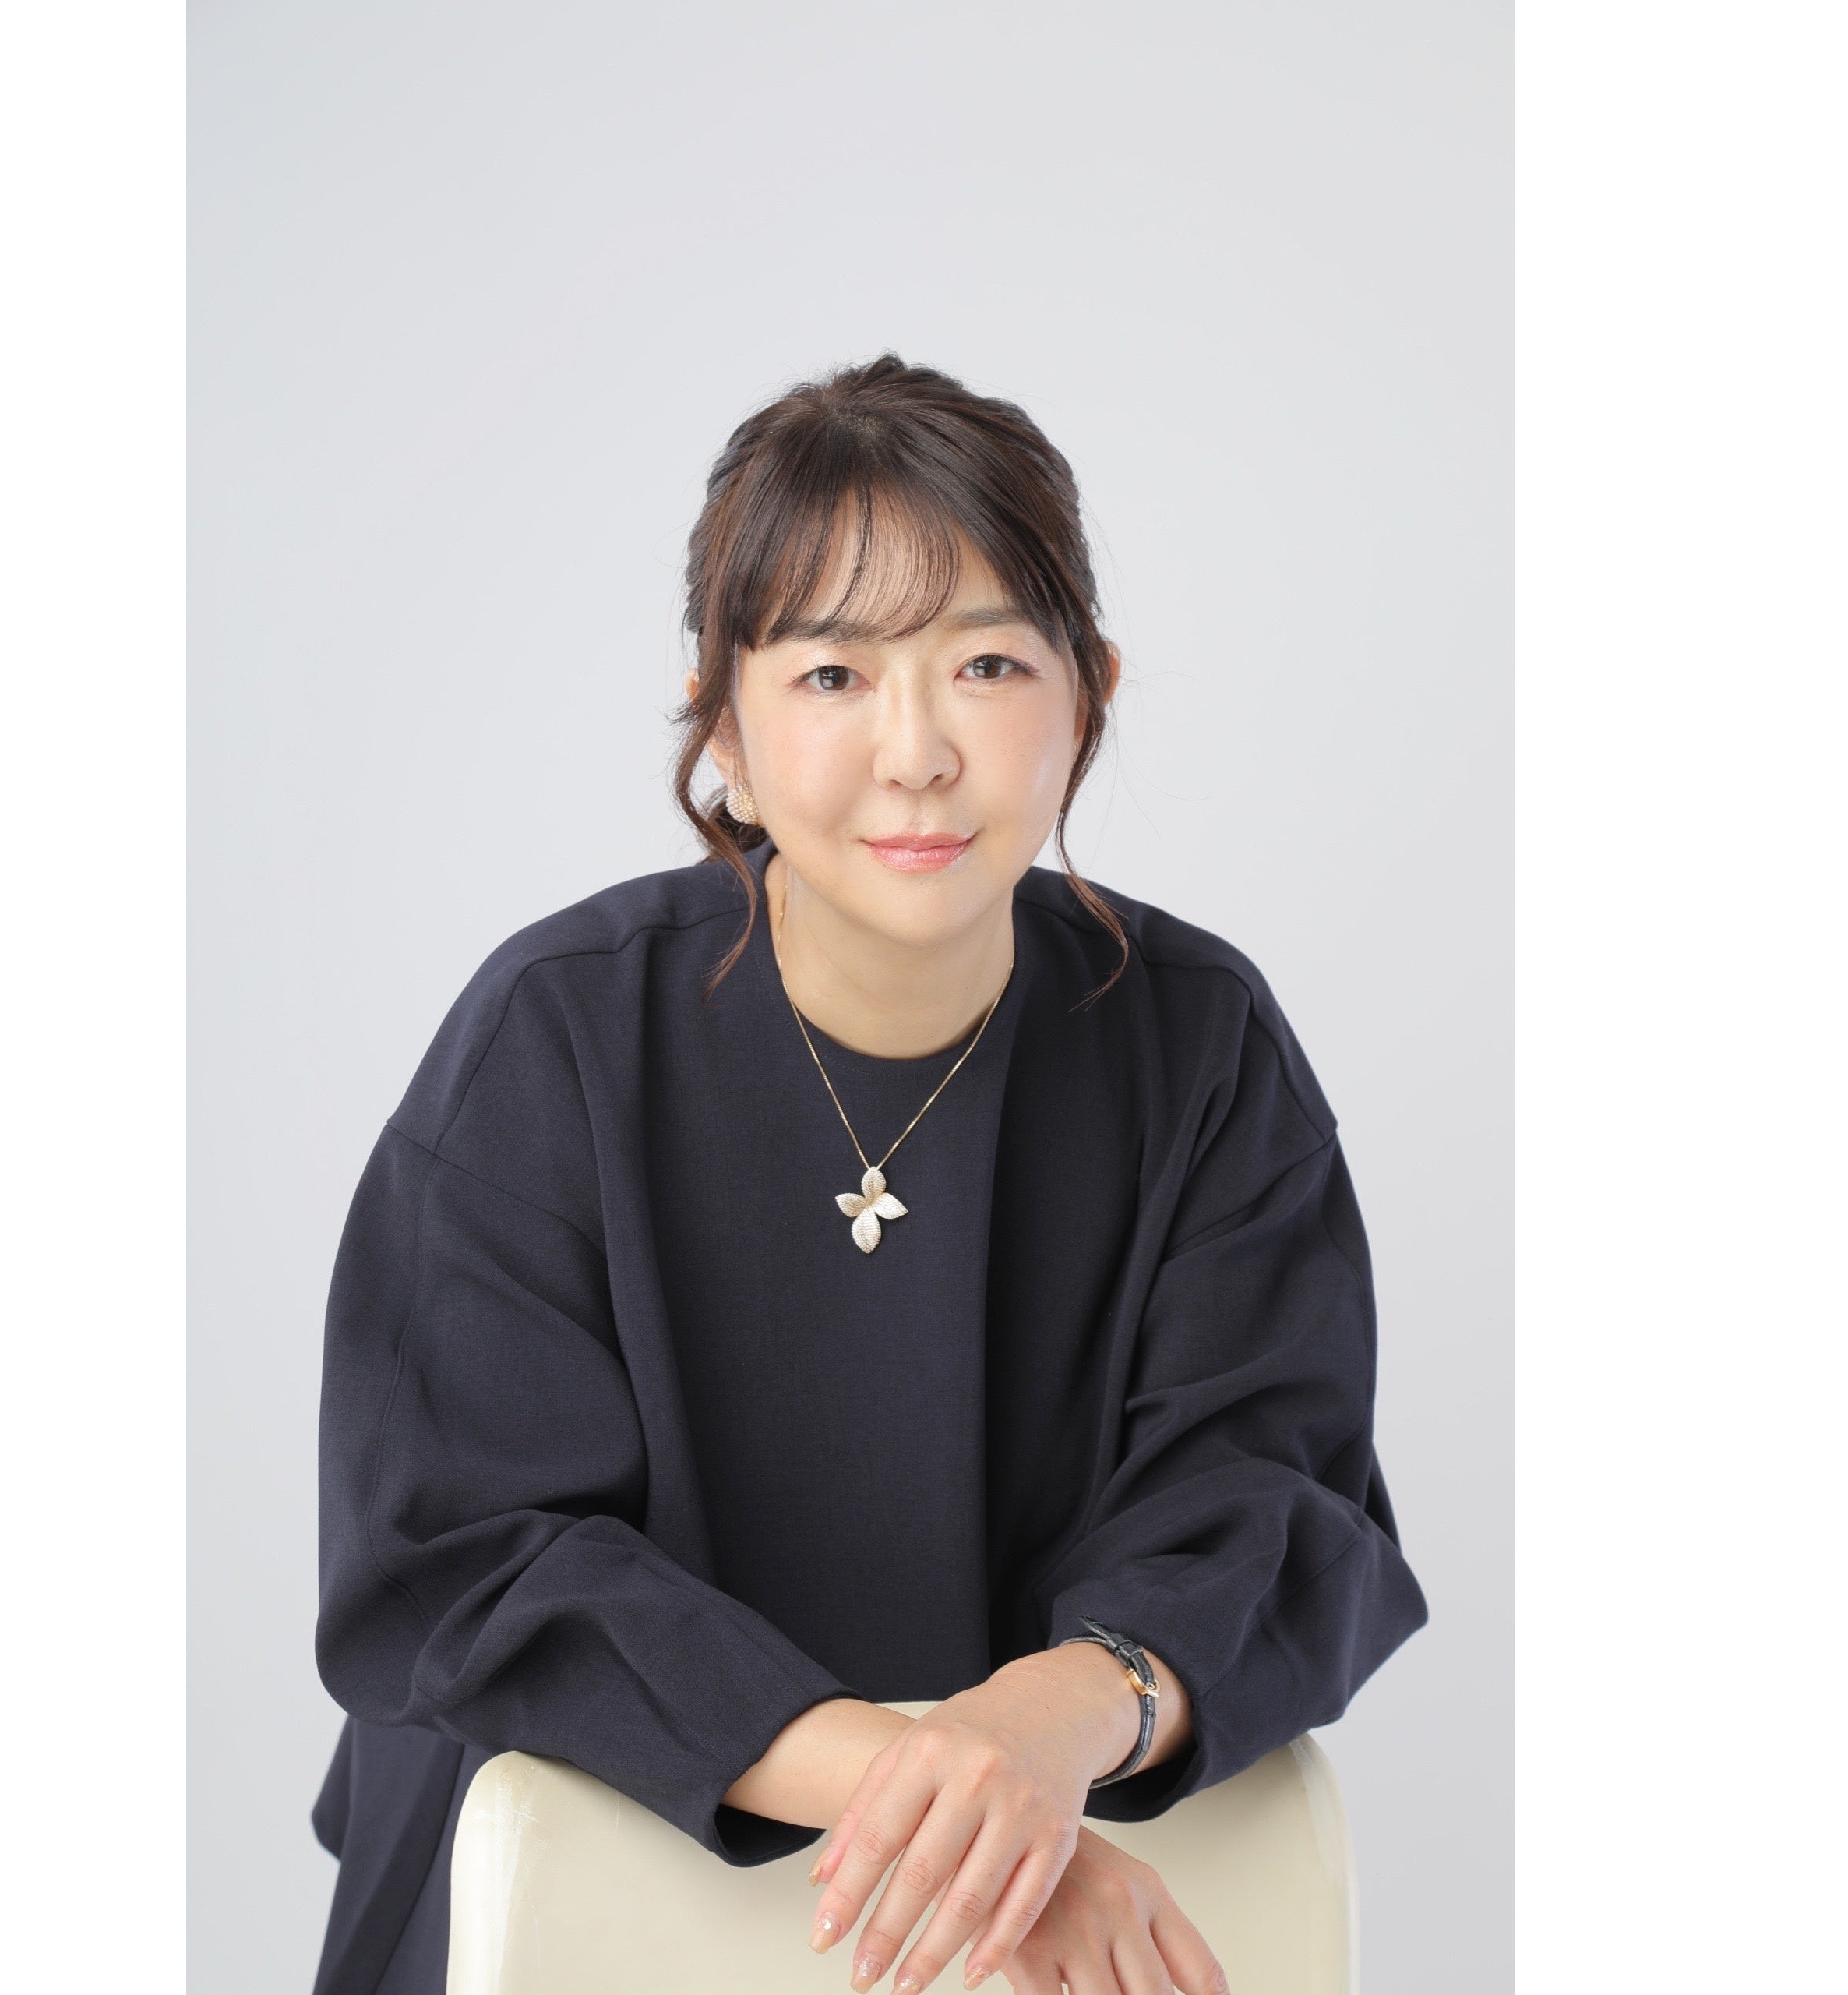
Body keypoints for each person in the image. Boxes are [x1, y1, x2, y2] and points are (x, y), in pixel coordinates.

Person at [308, 355, 1427, 1995]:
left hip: (1029, 1898)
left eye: (985, 664)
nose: (914, 752)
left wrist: (1051, 1720)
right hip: (580, 1882)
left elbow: (1276, 1500)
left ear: (1088, 696)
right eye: (832, 672)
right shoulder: (554, 1036)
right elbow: (462, 1558)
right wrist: (971, 1812)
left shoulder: (1200, 1039)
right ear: (725, 724)